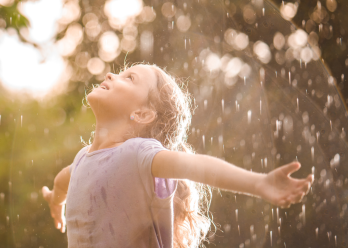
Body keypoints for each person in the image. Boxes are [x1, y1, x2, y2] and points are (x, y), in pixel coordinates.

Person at [41, 63, 314, 248]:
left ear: (143, 114)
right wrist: (56, 200)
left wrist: (258, 183)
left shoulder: (138, 154)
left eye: (129, 78)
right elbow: (63, 181)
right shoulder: (81, 160)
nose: (112, 75)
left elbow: (197, 167)